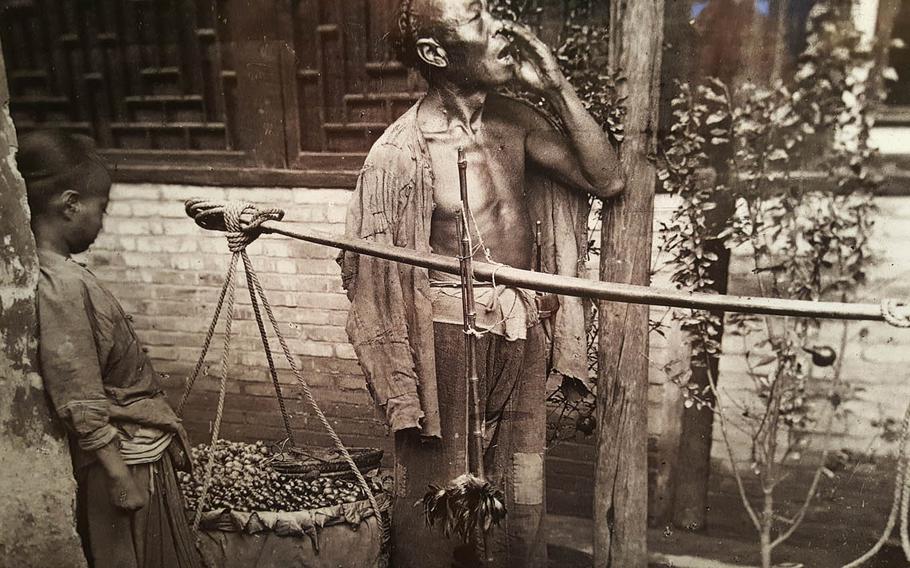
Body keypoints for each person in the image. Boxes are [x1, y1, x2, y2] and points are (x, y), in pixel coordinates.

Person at [339, 1, 624, 566]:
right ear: (436, 53)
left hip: (518, 325)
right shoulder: (400, 155)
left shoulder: (515, 121)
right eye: (476, 20)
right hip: (443, 332)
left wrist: (558, 85)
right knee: (437, 493)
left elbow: (608, 178)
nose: (500, 29)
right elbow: (374, 282)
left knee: (519, 487)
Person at [21, 130, 202, 568]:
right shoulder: (60, 287)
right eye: (102, 209)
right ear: (70, 205)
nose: (103, 222)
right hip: (119, 461)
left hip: (135, 453)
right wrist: (119, 476)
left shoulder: (66, 276)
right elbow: (78, 394)